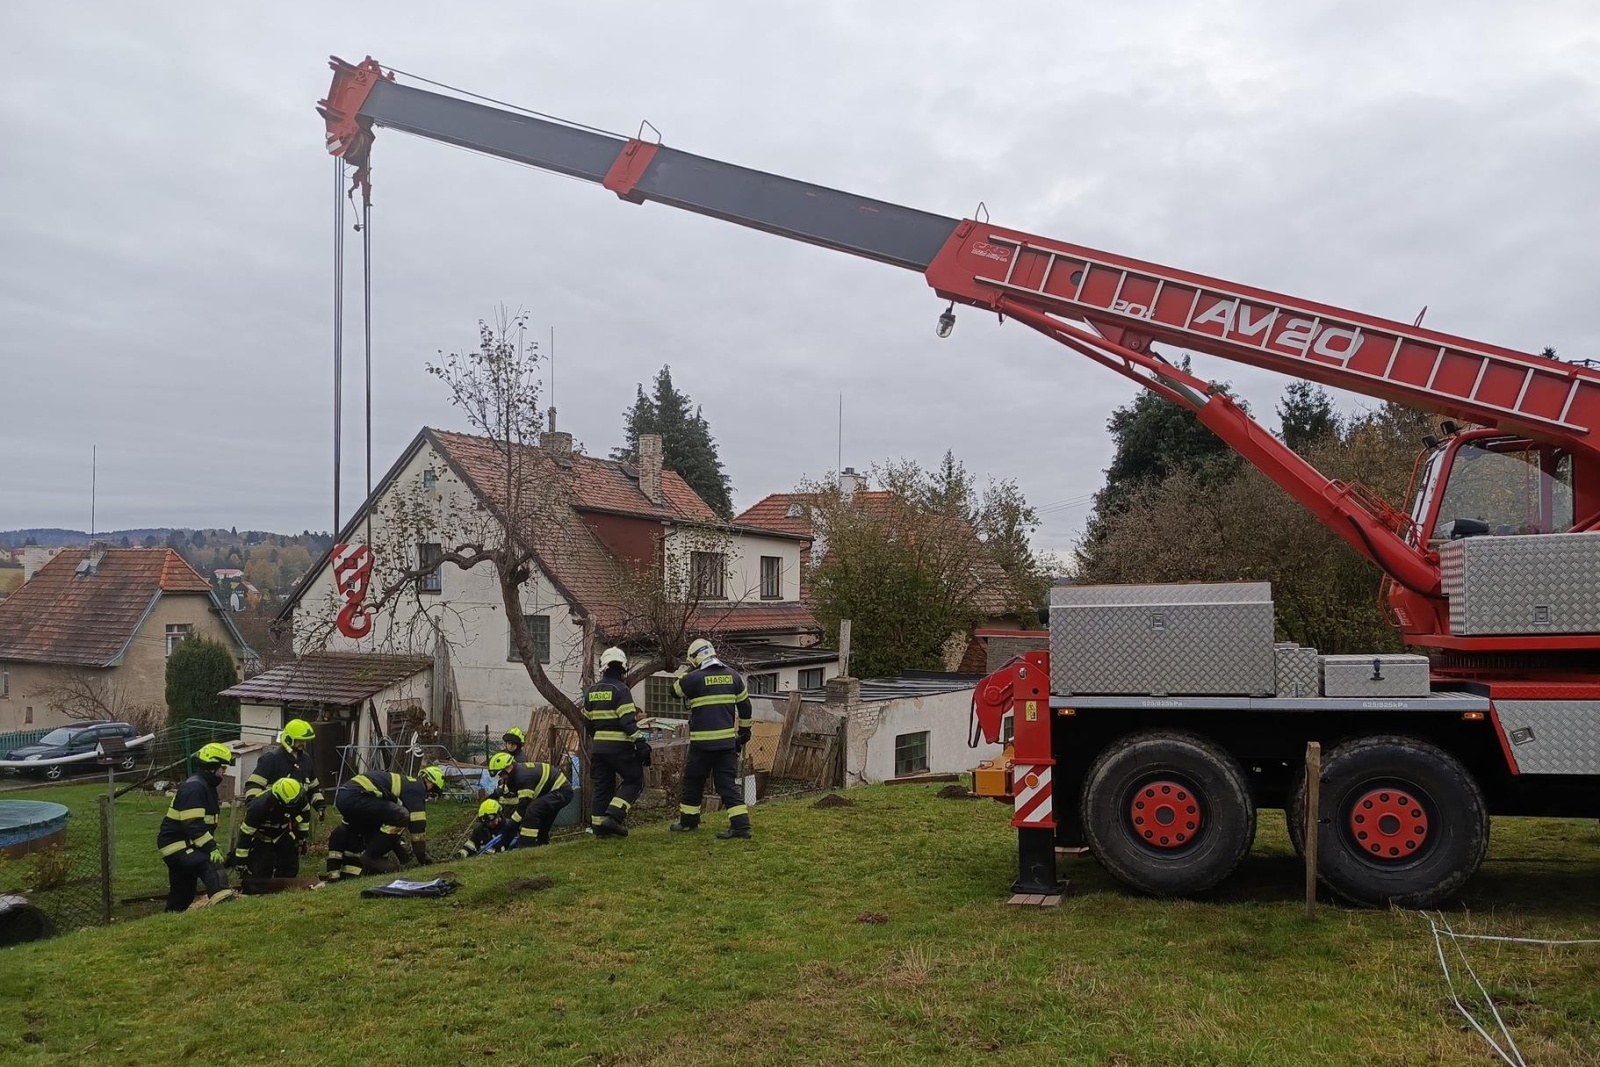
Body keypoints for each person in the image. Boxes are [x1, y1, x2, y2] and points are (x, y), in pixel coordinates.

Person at [670, 638, 753, 839]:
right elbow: (745, 707)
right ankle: (741, 826)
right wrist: (743, 734)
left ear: (696, 658)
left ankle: (689, 822)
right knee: (726, 784)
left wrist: (689, 670)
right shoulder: (733, 676)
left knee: (694, 781)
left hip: (702, 745)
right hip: (726, 744)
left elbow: (674, 691)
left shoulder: (694, 678)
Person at [156, 742, 238, 911]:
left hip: (183, 844)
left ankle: (171, 917)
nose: (224, 772)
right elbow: (193, 824)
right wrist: (210, 847)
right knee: (210, 863)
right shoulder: (195, 787)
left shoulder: (204, 785)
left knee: (184, 890)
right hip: (178, 845)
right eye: (222, 767)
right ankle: (226, 907)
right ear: (211, 766)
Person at [326, 765, 445, 880]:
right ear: (429, 782)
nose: (428, 796)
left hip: (346, 797)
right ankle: (371, 857)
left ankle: (373, 864)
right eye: (433, 792)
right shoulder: (416, 788)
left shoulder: (406, 783)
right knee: (401, 815)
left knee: (385, 824)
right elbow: (417, 827)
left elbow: (390, 832)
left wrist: (404, 855)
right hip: (357, 796)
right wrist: (423, 858)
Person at [581, 646, 650, 838]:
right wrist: (641, 743)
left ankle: (598, 828)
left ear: (603, 667)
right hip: (620, 748)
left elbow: (587, 722)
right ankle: (613, 817)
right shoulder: (621, 690)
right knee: (634, 781)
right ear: (623, 668)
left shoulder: (591, 692)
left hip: (599, 749)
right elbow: (627, 721)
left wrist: (599, 739)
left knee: (603, 786)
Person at [245, 719, 324, 845]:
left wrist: (320, 805)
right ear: (288, 739)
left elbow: (313, 787)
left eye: (304, 741)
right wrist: (254, 807)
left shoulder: (306, 760)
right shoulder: (272, 758)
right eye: (299, 740)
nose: (303, 744)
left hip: (293, 820)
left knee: (289, 860)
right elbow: (254, 784)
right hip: (270, 821)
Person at [487, 752, 572, 848]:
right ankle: (542, 844)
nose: (501, 777)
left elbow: (524, 806)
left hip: (561, 791)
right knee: (541, 816)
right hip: (553, 792)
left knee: (532, 810)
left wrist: (511, 824)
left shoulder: (522, 777)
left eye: (501, 774)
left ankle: (526, 846)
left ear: (508, 768)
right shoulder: (518, 773)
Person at [231, 777, 310, 881]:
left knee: (290, 866)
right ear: (278, 799)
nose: (293, 806)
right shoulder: (258, 806)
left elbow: (305, 817)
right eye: (290, 804)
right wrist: (241, 862)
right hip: (263, 837)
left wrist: (301, 839)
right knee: (262, 870)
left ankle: (286, 885)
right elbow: (246, 834)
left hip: (284, 833)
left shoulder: (300, 798)